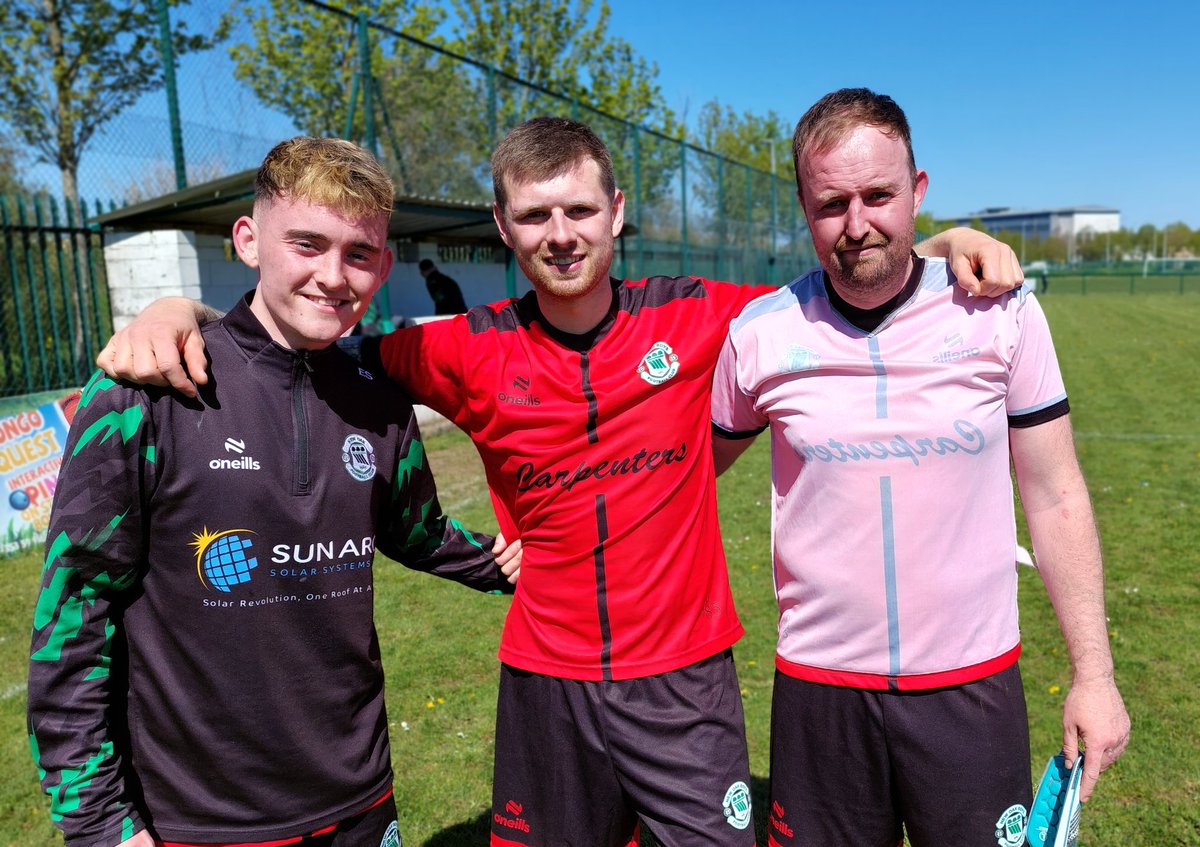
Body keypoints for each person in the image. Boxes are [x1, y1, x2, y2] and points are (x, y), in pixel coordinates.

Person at [95, 117, 1023, 847]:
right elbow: (303, 338)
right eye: (535, 217)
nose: (561, 234)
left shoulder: (706, 316)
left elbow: (845, 279)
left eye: (579, 210)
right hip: (547, 678)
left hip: (686, 677)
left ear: (616, 210)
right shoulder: (457, 348)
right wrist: (183, 310)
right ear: (504, 228)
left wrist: (938, 241)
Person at [27, 137, 519, 847]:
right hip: (202, 820)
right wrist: (99, 822)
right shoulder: (149, 388)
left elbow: (419, 531)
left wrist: (530, 562)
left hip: (360, 798)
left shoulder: (380, 404)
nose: (332, 275)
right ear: (249, 240)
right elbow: (73, 615)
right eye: (308, 244)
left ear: (383, 265)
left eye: (358, 253)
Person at [710, 89, 1130, 847]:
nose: (858, 222)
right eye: (832, 202)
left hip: (971, 692)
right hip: (820, 695)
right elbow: (681, 471)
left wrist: (1094, 675)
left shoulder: (1000, 313)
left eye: (880, 195)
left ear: (919, 191)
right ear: (804, 205)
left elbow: (1057, 494)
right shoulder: (762, 337)